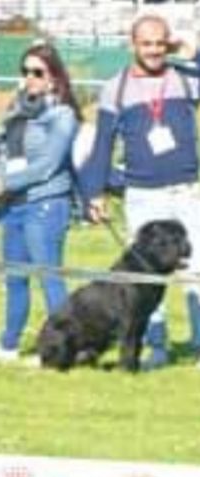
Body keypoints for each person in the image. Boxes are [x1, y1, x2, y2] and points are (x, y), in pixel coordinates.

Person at [79, 13, 200, 369]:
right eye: (146, 44)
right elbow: (102, 144)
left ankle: (198, 345)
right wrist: (94, 193)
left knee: (197, 272)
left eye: (161, 43)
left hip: (186, 191)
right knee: (146, 278)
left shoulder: (184, 78)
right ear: (133, 45)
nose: (154, 51)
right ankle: (156, 347)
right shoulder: (115, 88)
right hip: (143, 195)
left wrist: (190, 50)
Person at [0, 42, 81, 363]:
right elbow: (3, 150)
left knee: (48, 278)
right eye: (25, 72)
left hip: (46, 204)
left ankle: (59, 349)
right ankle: (8, 344)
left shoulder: (62, 116)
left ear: (54, 77)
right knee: (15, 278)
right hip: (14, 205)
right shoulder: (16, 110)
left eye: (37, 72)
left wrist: (6, 182)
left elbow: (49, 164)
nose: (30, 78)